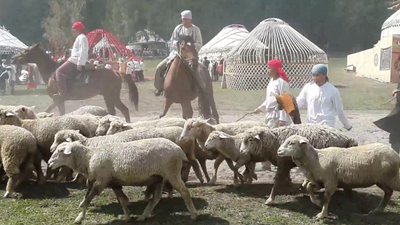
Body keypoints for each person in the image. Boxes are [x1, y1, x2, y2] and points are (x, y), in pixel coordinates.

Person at [153, 10, 205, 96]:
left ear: (189, 19)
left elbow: (199, 43)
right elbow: (172, 40)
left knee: (195, 70)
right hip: (176, 53)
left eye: (185, 19)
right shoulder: (178, 28)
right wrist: (177, 45)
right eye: (182, 19)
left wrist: (188, 46)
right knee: (159, 67)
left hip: (190, 55)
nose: (183, 21)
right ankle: (159, 87)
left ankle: (201, 87)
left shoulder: (195, 30)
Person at [296, 64, 352, 130]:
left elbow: (339, 110)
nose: (315, 78)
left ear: (325, 75)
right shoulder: (308, 88)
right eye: (313, 75)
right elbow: (298, 103)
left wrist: (347, 125)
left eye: (318, 75)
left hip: (327, 126)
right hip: (311, 125)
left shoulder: (333, 90)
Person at [54, 22, 89, 102]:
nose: (72, 32)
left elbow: (83, 50)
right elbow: (78, 50)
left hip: (75, 60)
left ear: (78, 30)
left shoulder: (81, 37)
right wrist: (70, 50)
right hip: (75, 59)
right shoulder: (80, 37)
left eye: (74, 30)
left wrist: (80, 63)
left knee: (59, 72)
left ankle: (63, 94)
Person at [253, 59, 292, 128]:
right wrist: (260, 108)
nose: (268, 70)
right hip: (270, 114)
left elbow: (286, 100)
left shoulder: (281, 82)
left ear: (275, 69)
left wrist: (283, 119)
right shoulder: (271, 82)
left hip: (277, 116)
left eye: (269, 68)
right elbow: (270, 99)